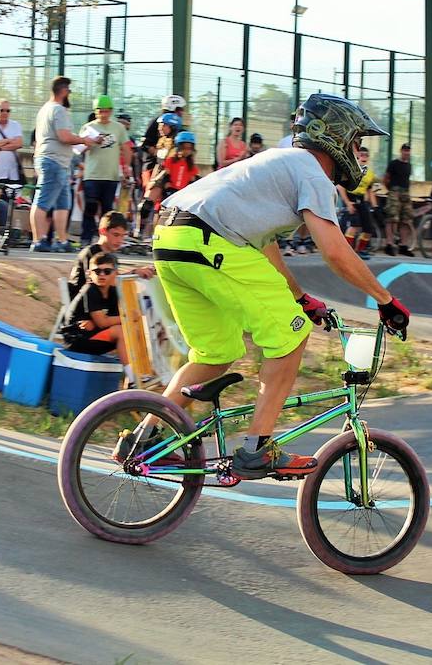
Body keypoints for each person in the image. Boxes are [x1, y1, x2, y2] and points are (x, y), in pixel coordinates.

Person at [140, 93, 409, 480]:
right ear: (335, 137)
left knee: (217, 352)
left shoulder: (273, 162)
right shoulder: (312, 173)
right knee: (290, 333)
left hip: (171, 240)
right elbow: (335, 251)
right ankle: (257, 449)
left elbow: (263, 244)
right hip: (208, 241)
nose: (358, 152)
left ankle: (148, 438)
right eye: (356, 143)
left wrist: (300, 297)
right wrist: (386, 300)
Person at [31, 76, 99, 253]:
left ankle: (62, 240)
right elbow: (64, 137)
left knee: (63, 204)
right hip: (53, 161)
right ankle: (38, 240)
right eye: (68, 89)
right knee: (42, 202)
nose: (70, 93)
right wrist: (84, 140)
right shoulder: (58, 110)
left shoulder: (45, 109)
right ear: (62, 90)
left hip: (57, 161)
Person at [58, 252, 130, 366]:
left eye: (107, 271)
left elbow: (110, 320)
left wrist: (100, 322)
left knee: (130, 331)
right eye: (97, 271)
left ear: (115, 273)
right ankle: (133, 378)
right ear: (89, 274)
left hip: (93, 335)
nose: (102, 275)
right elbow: (103, 322)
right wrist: (128, 316)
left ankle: (134, 377)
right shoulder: (90, 290)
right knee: (121, 331)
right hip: (77, 339)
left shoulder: (113, 292)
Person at [79, 95, 132, 242]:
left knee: (107, 210)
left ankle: (106, 239)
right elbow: (79, 148)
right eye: (100, 111)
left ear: (111, 111)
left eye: (106, 111)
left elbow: (126, 148)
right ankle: (86, 237)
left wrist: (126, 166)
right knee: (90, 206)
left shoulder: (118, 128)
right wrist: (90, 142)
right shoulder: (89, 127)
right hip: (92, 174)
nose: (103, 115)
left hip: (111, 175)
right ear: (95, 111)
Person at [67, 210, 155, 299]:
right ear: (102, 231)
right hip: (83, 303)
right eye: (116, 235)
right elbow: (103, 283)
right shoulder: (91, 253)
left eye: (122, 236)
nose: (120, 240)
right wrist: (134, 273)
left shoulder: (111, 256)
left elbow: (114, 280)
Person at [339, 145, 378, 256]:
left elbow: (370, 190)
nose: (364, 157)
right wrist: (347, 203)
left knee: (368, 229)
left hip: (361, 199)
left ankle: (360, 250)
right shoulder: (351, 169)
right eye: (361, 155)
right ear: (357, 156)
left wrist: (375, 207)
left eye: (366, 155)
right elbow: (340, 187)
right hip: (350, 197)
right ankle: (346, 252)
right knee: (354, 226)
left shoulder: (370, 173)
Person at [382, 142, 414, 256]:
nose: (406, 152)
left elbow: (408, 180)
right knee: (391, 218)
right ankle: (389, 244)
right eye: (405, 150)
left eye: (408, 150)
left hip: (405, 193)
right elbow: (386, 178)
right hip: (394, 192)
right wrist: (391, 190)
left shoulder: (409, 166)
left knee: (406, 219)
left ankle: (403, 245)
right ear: (401, 151)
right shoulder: (394, 163)